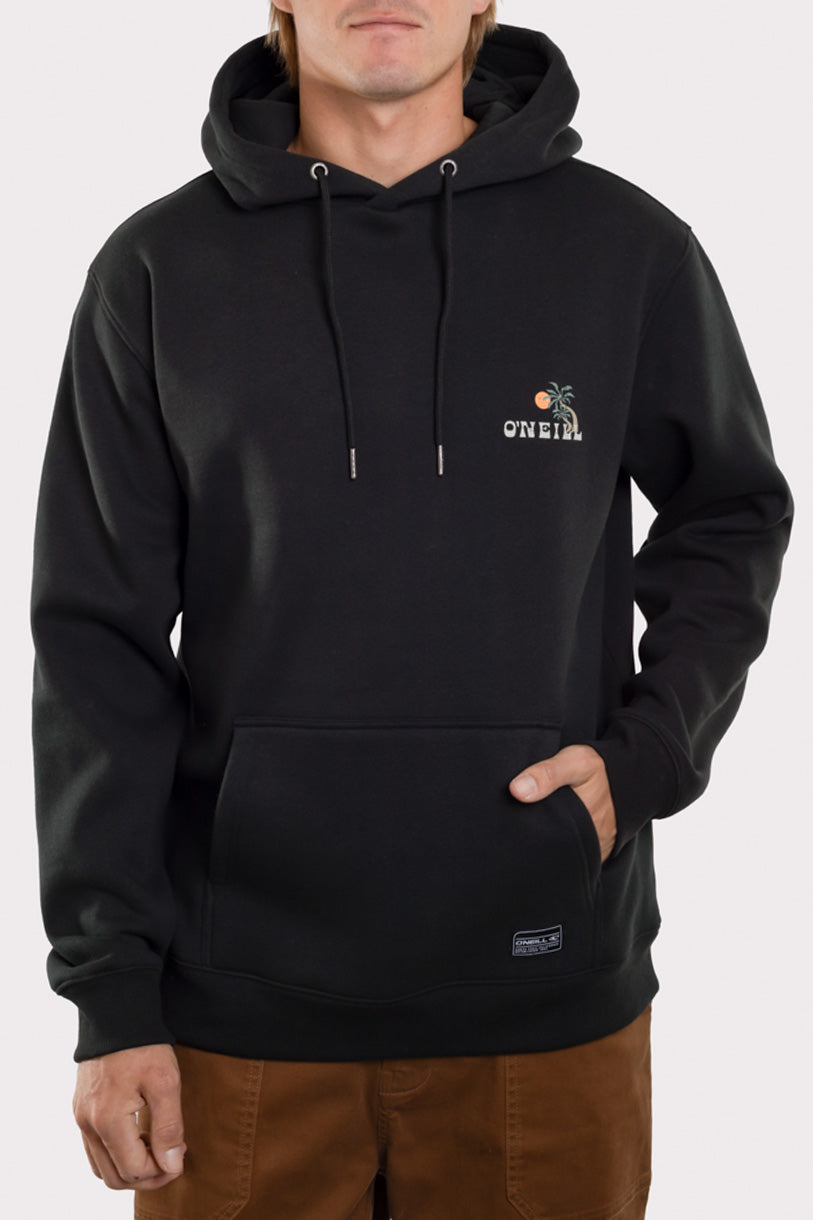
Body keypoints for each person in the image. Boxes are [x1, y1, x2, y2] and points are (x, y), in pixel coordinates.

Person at [30, 2, 793, 1218]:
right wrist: (108, 991)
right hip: (238, 1013)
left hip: (547, 997)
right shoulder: (158, 268)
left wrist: (647, 754)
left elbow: (730, 515)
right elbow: (95, 641)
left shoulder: (629, 250)